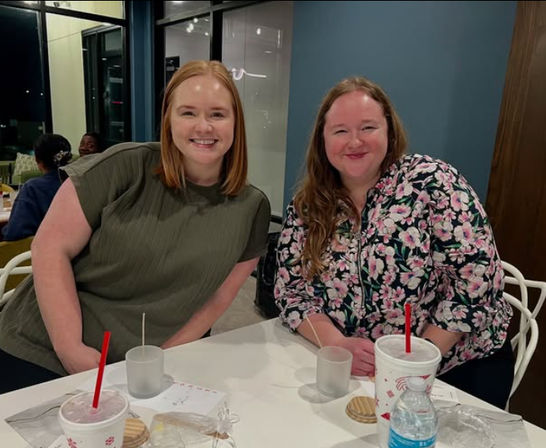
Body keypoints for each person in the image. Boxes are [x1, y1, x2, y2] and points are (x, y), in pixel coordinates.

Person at [0, 60, 271, 393]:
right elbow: (49, 248)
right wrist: (70, 348)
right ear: (168, 120)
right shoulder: (125, 166)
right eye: (187, 113)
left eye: (217, 114)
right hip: (41, 349)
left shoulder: (252, 208)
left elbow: (217, 298)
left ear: (236, 123)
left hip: (145, 369)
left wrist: (168, 356)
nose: (204, 127)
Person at [274, 76, 513, 408]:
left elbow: (476, 279)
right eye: (340, 131)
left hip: (456, 367)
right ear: (322, 141)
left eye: (368, 127)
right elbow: (291, 292)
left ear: (389, 131)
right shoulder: (307, 206)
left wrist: (413, 361)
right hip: (359, 376)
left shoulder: (432, 182)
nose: (354, 141)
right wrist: (337, 343)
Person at [2, 134, 72, 241]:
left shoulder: (32, 188)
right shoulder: (79, 182)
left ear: (37, 159)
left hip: (42, 253)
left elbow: (14, 234)